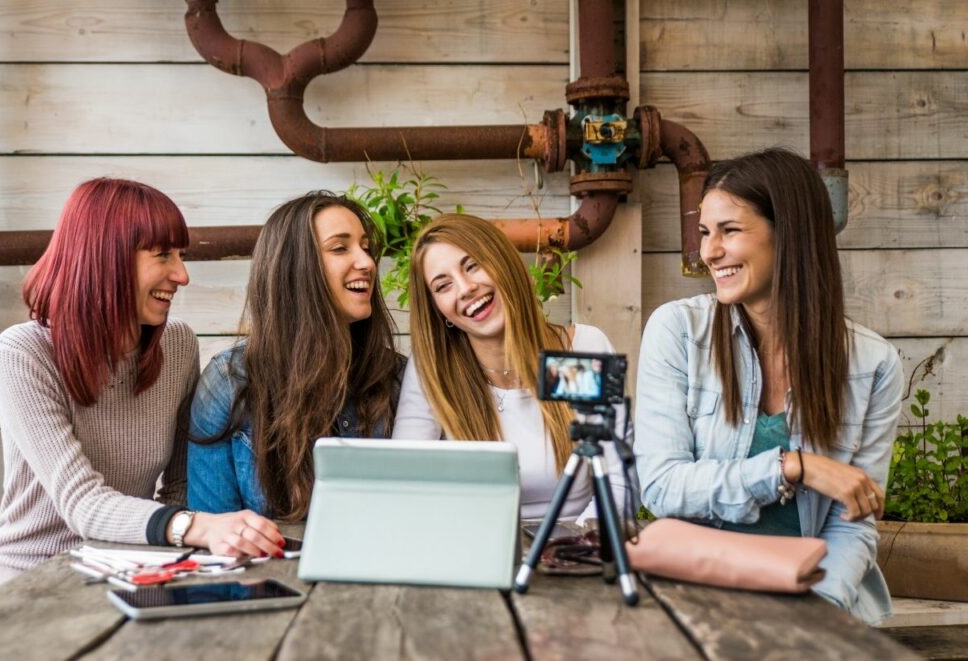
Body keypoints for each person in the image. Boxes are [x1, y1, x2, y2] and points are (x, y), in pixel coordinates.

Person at [0, 178, 285, 596]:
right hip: (28, 584)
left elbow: (178, 488)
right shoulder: (22, 353)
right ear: (106, 259)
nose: (182, 275)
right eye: (163, 256)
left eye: (181, 255)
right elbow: (82, 504)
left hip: (128, 575)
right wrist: (198, 527)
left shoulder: (176, 345)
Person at [634, 148, 902, 625]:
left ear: (789, 235)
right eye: (704, 232)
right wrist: (792, 468)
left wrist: (816, 613)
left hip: (818, 599)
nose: (708, 252)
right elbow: (662, 485)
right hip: (702, 597)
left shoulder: (873, 363)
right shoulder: (678, 331)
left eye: (729, 231)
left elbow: (854, 523)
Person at [392, 213, 629, 525]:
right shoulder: (434, 369)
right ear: (440, 311)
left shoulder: (582, 349)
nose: (464, 288)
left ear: (504, 263)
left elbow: (620, 479)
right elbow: (405, 486)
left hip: (578, 550)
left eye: (472, 265)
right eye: (443, 285)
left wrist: (577, 544)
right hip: (477, 549)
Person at [188, 192, 404, 521]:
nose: (367, 262)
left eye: (366, 247)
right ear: (295, 268)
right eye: (340, 248)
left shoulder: (399, 380)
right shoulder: (228, 382)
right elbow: (214, 539)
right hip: (267, 573)